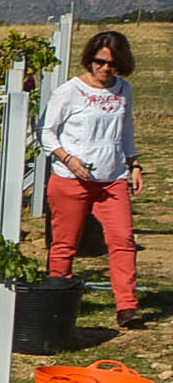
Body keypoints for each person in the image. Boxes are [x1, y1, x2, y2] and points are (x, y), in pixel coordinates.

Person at [41, 29, 144, 330]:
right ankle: (57, 301)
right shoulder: (69, 91)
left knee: (123, 239)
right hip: (71, 179)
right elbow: (46, 131)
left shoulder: (123, 90)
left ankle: (127, 306)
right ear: (90, 60)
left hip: (111, 179)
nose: (105, 69)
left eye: (112, 64)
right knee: (65, 243)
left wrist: (134, 164)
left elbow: (125, 131)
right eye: (99, 62)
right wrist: (68, 159)